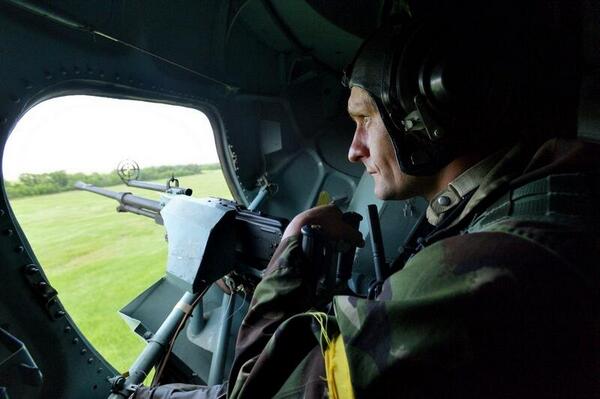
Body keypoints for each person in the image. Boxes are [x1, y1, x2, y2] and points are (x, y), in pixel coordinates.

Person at [134, 8, 599, 399]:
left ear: (426, 117)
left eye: (364, 120)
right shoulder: (551, 196)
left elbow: (254, 392)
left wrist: (290, 252)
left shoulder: (480, 267)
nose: (355, 150)